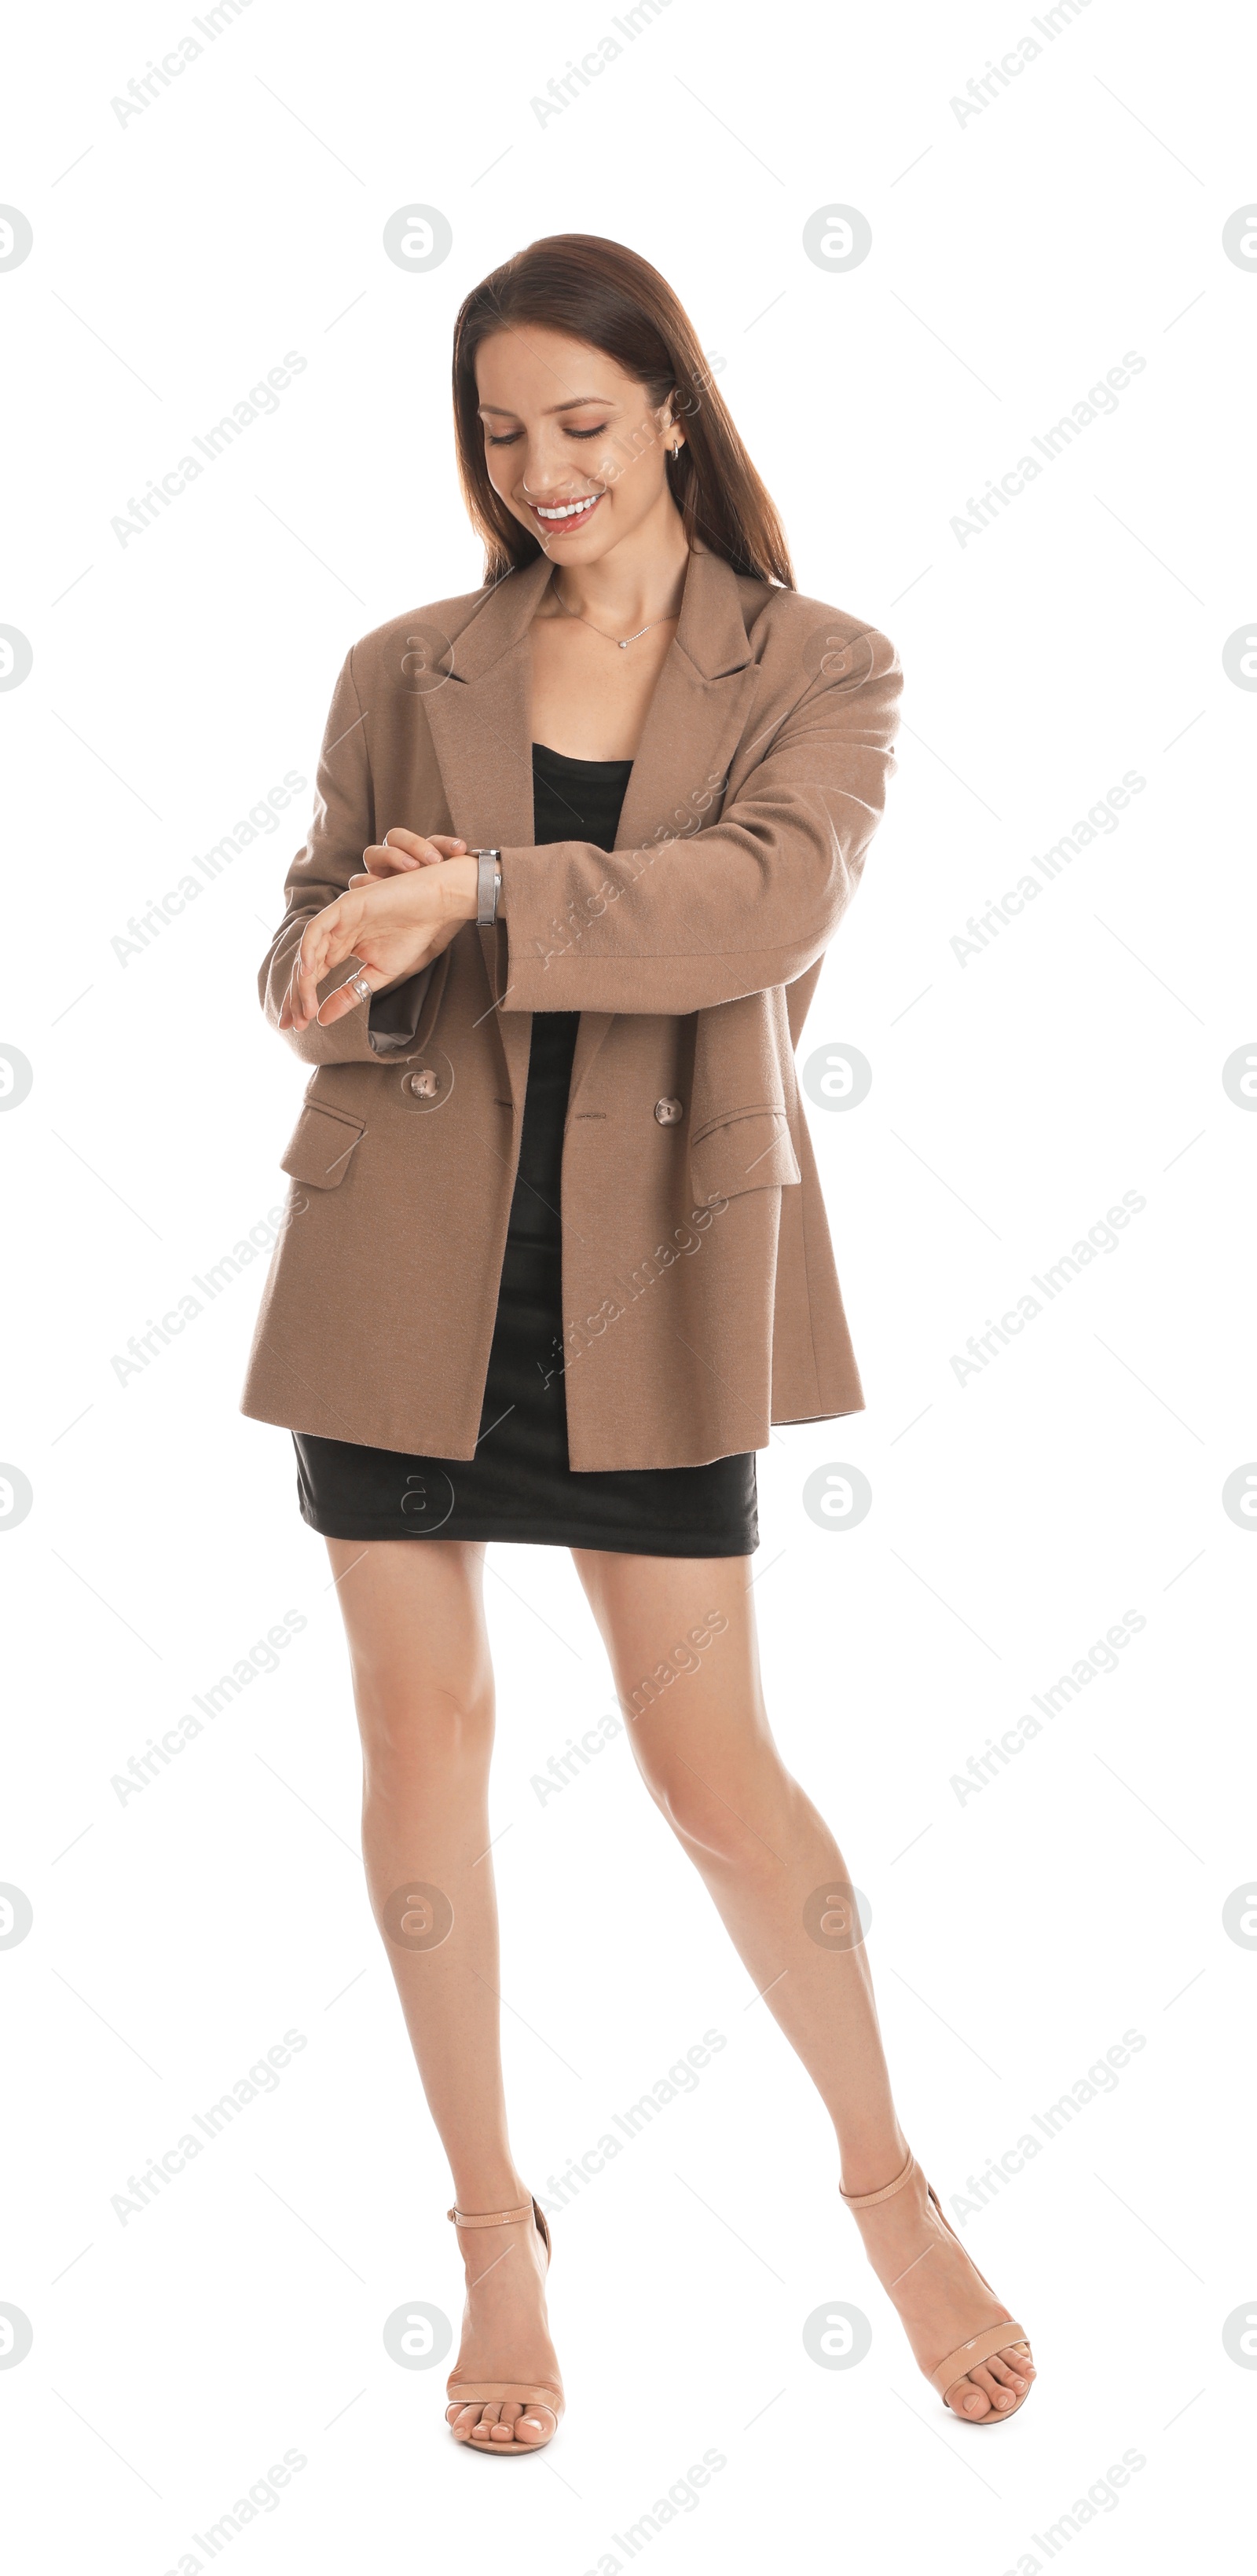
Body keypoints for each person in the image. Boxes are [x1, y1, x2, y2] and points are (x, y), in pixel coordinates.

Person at [241, 233, 1034, 2453]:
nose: (543, 467)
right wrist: (356, 941)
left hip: (655, 1282)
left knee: (711, 1775)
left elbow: (763, 901)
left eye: (582, 421)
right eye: (503, 433)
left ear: (673, 407)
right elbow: (304, 961)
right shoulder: (410, 660)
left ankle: (887, 2188)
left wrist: (477, 891)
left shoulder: (825, 666)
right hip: (401, 1263)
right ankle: (496, 2233)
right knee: (426, 1750)